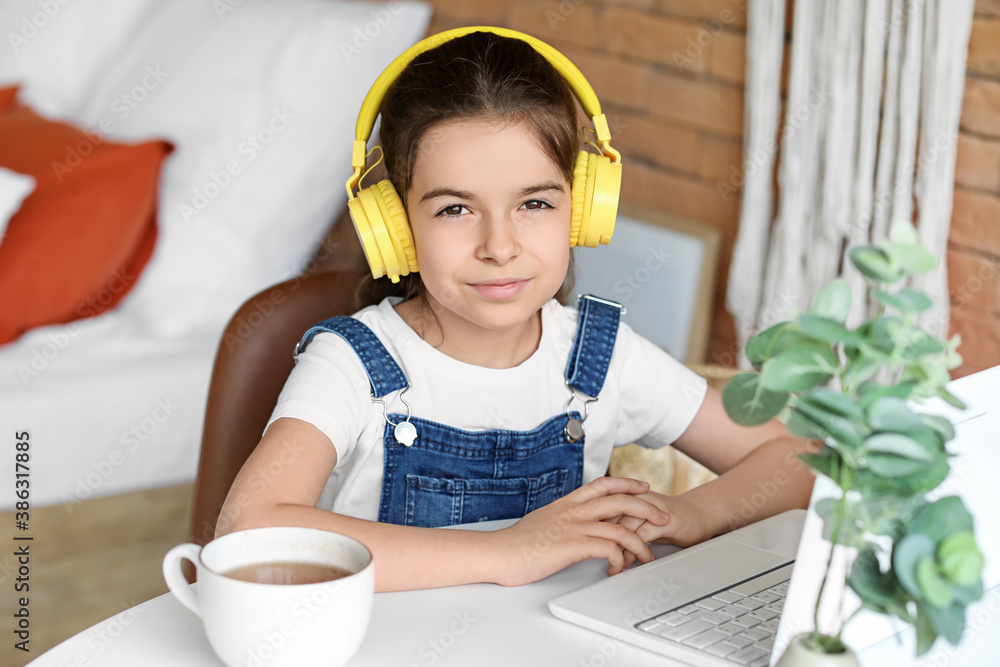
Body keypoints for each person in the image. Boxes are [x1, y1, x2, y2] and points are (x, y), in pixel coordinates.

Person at [217, 27, 816, 592]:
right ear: (396, 227)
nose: (500, 247)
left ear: (581, 210)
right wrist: (508, 552)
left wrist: (691, 512)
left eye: (534, 203)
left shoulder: (601, 358)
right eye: (455, 208)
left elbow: (798, 459)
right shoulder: (352, 364)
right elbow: (250, 528)